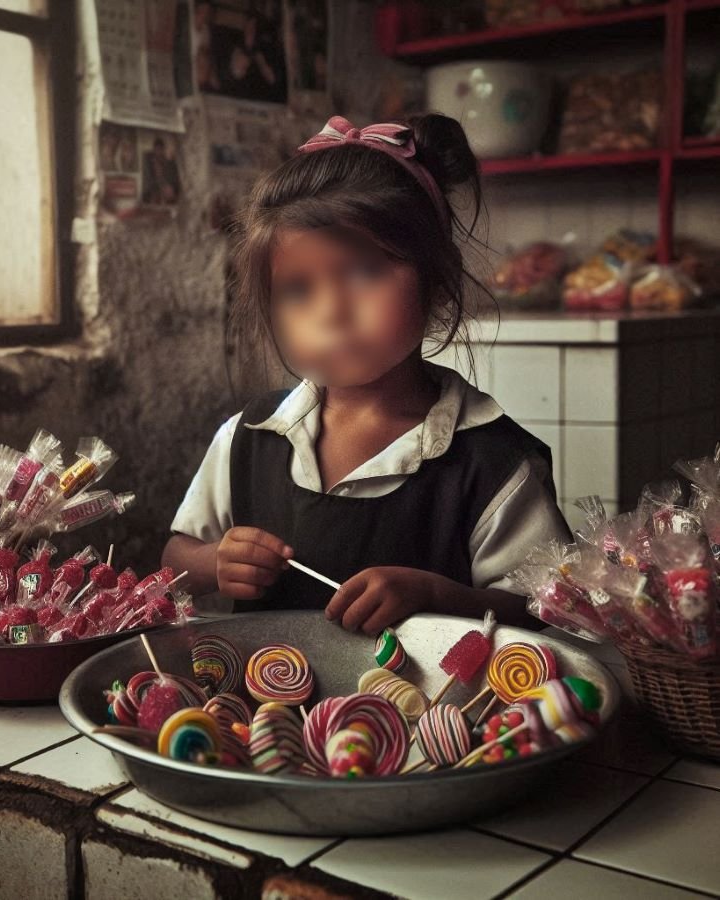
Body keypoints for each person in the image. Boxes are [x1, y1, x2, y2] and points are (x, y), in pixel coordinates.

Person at [162, 114, 570, 633]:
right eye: (298, 290)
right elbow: (174, 561)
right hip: (267, 688)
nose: (331, 311)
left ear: (436, 278)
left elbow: (546, 611)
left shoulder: (492, 463)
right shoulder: (248, 438)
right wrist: (214, 562)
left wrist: (438, 596)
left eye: (365, 271)